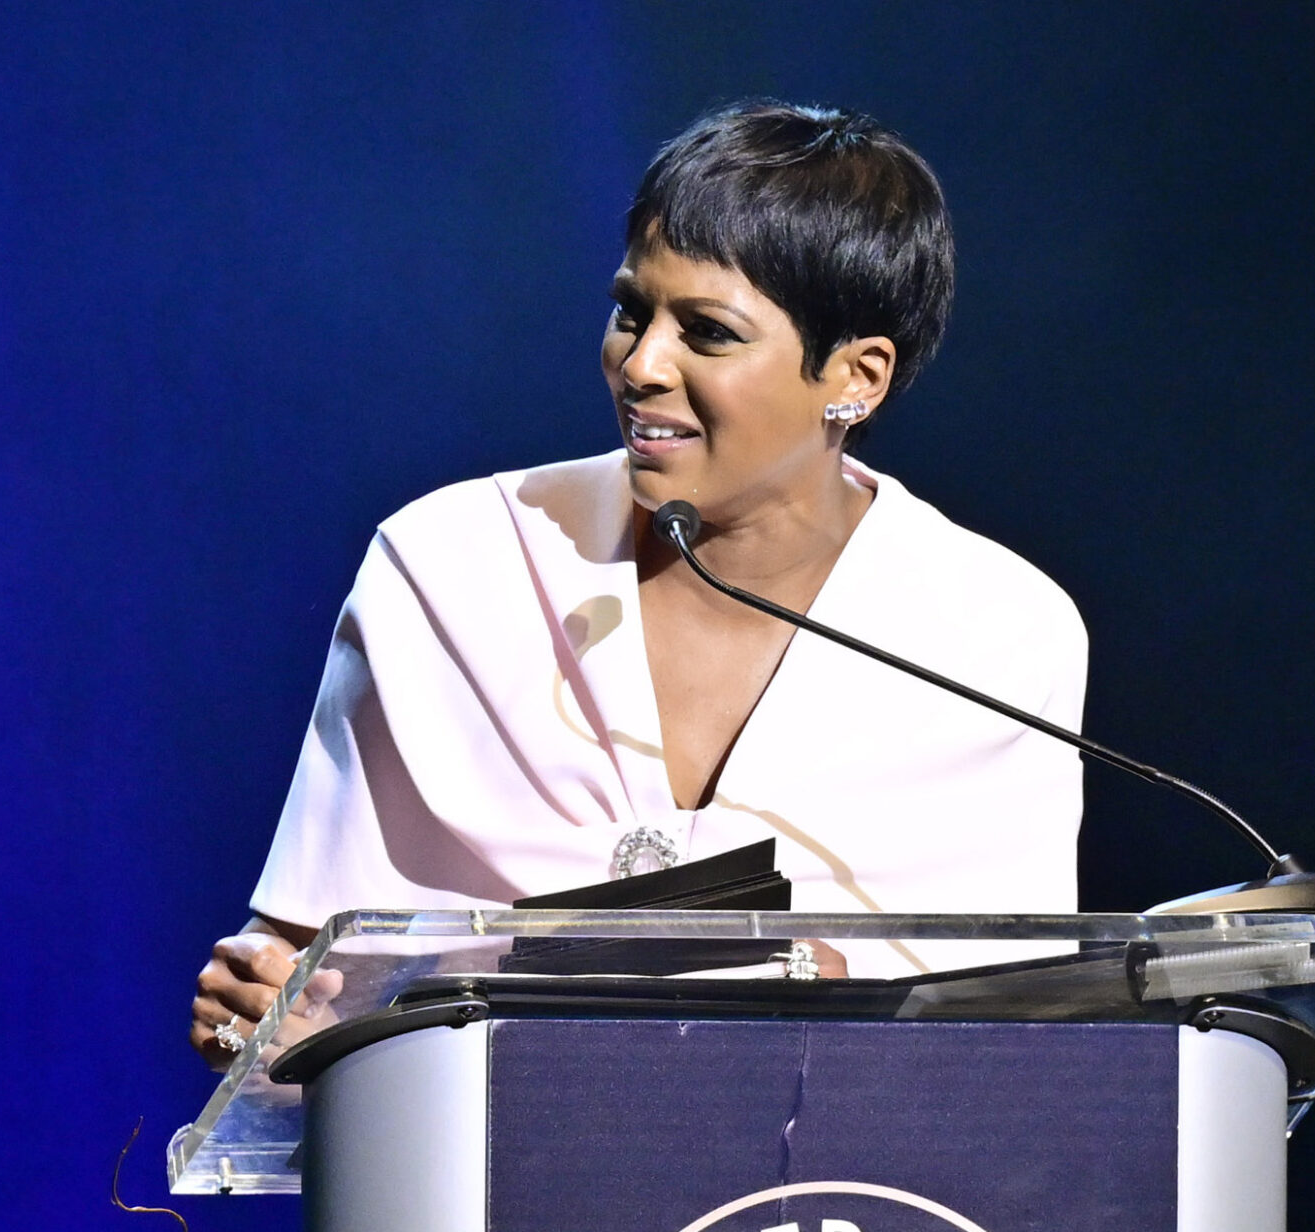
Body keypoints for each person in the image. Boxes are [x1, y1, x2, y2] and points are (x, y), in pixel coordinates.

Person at [189, 100, 1087, 1063]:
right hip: (481, 1186)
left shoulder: (996, 632)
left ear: (855, 377)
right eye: (631, 312)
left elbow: (1008, 1043)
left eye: (706, 332)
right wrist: (261, 1002)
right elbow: (303, 969)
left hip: (843, 1204)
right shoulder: (452, 567)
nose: (640, 364)